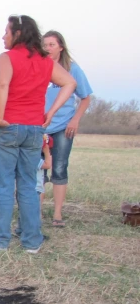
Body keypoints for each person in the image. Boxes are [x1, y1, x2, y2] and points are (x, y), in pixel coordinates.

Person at [0, 15, 76, 253]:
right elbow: (69, 83)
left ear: (18, 33)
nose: (3, 36)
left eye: (6, 31)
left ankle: (1, 240)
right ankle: (31, 242)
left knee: (4, 185)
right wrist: (51, 113)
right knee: (28, 185)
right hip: (34, 129)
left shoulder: (7, 57)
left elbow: (3, 85)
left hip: (7, 127)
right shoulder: (45, 61)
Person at [42, 30, 93, 228]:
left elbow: (86, 97)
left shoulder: (72, 68)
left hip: (63, 125)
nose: (47, 48)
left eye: (51, 45)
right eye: (44, 45)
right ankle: (35, 212)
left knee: (59, 168)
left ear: (60, 47)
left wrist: (75, 120)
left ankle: (57, 214)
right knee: (38, 170)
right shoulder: (39, 66)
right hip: (40, 126)